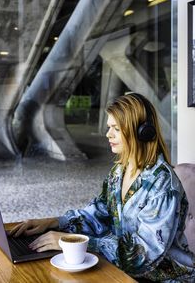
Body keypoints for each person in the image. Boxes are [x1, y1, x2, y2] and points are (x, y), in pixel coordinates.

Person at [10, 93, 195, 282]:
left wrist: (75, 244)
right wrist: (54, 222)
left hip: (165, 278)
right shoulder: (119, 172)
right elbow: (97, 213)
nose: (108, 134)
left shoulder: (163, 184)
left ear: (141, 131)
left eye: (116, 128)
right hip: (122, 271)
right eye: (109, 127)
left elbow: (143, 254)